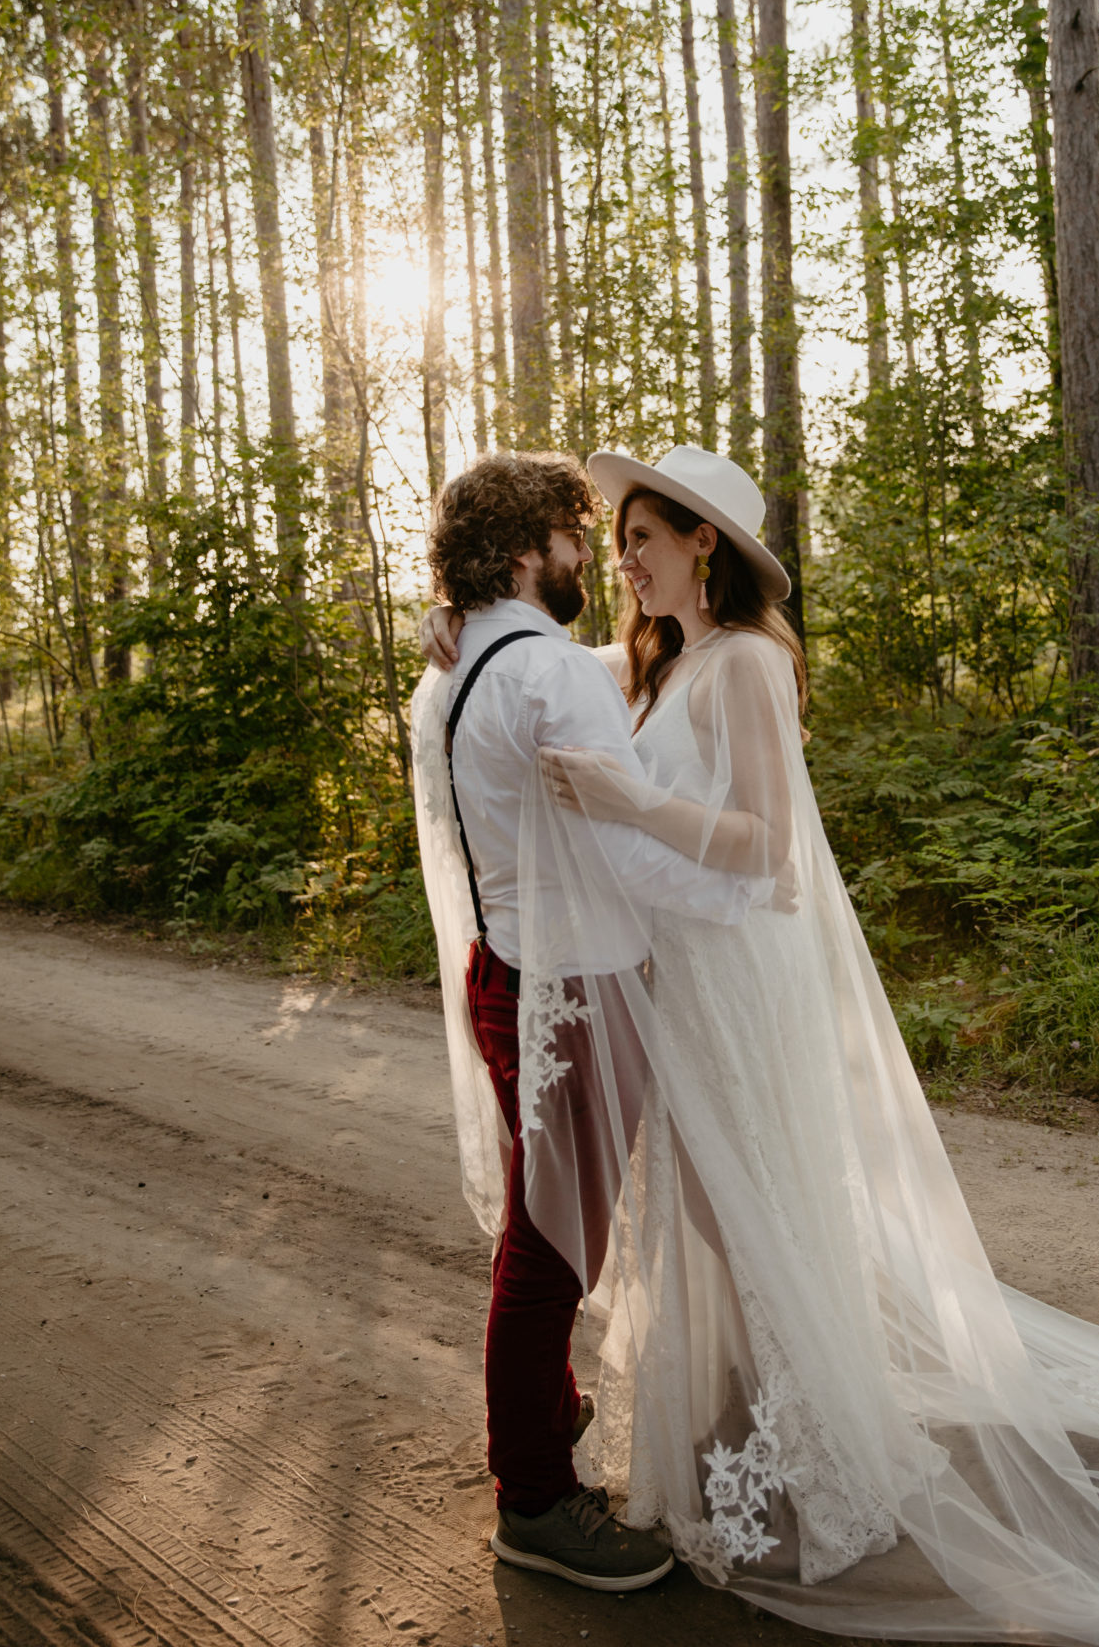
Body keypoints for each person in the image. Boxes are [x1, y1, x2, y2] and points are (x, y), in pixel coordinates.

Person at [417, 444, 1099, 1645]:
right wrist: (454, 619)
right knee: (708, 1222)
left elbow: (766, 851)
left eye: (645, 535)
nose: (623, 557)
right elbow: (517, 663)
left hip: (732, 973)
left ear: (705, 541)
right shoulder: (646, 659)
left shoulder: (748, 662)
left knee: (757, 1213)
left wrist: (634, 802)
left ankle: (809, 1449)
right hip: (676, 982)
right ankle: (742, 1430)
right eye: (615, 538)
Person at [412, 450, 769, 1595]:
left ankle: (550, 1413)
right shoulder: (551, 672)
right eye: (578, 538)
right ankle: (532, 1493)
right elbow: (624, 853)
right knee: (555, 1244)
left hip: (504, 972)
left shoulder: (457, 664)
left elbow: (641, 669)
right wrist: (751, 900)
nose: (595, 560)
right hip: (582, 982)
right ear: (531, 550)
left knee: (547, 1218)